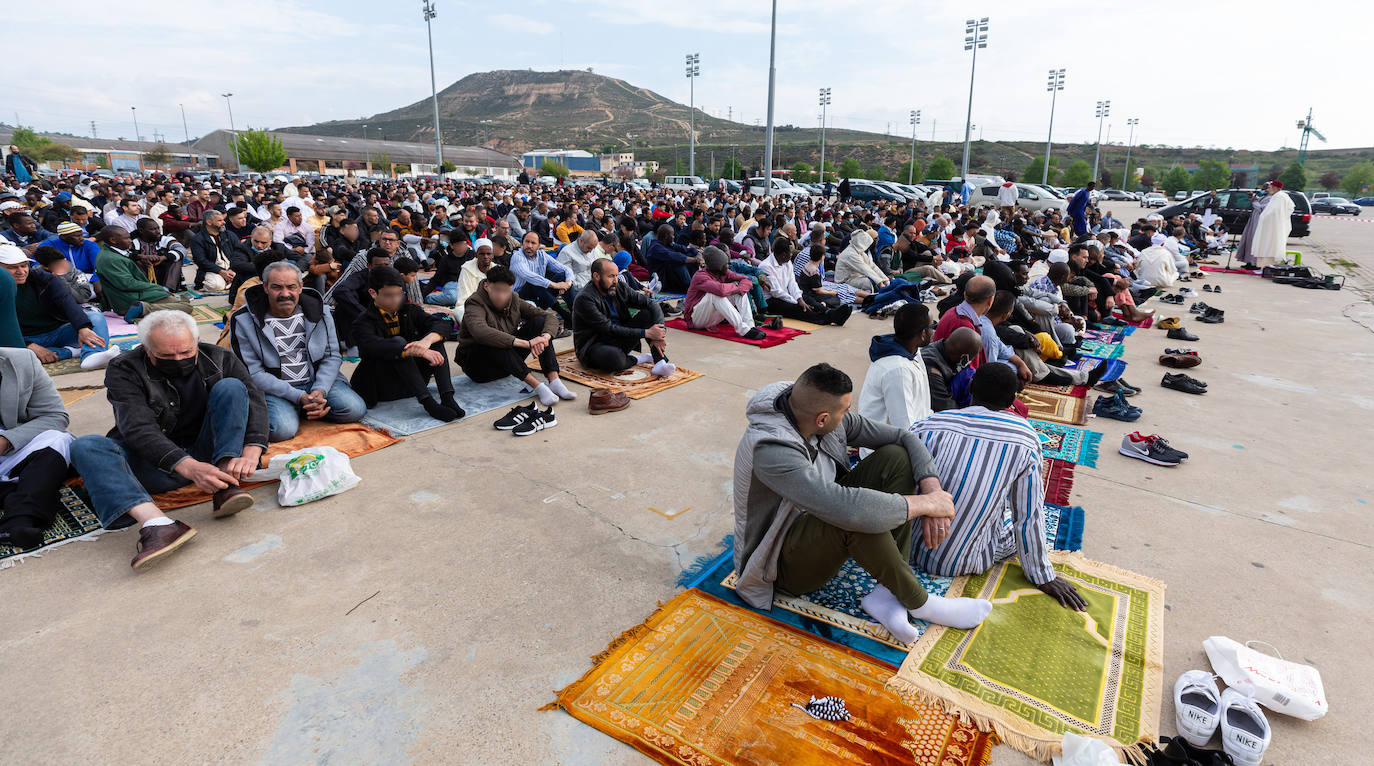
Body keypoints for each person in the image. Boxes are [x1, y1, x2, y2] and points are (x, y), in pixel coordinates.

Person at [732, 362, 993, 642]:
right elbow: (848, 509)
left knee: (895, 457)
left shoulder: (808, 411)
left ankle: (887, 593)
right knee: (854, 516)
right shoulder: (771, 450)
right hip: (776, 562)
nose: (848, 414)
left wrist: (932, 489)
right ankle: (921, 603)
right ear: (822, 419)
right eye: (844, 410)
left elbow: (903, 437)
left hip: (815, 517)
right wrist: (927, 505)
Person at [69, 311, 268, 569]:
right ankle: (158, 525)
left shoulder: (220, 357)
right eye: (166, 356)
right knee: (86, 446)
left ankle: (224, 484)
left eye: (186, 353)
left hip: (207, 453)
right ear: (145, 349)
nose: (178, 360)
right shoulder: (124, 368)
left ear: (196, 341)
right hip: (153, 463)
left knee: (231, 387)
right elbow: (137, 428)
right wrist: (187, 466)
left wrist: (252, 451)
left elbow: (255, 402)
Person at [910, 363, 1087, 610]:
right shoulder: (1026, 438)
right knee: (1014, 512)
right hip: (963, 561)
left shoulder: (928, 424)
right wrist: (1043, 576)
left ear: (971, 387)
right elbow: (1027, 516)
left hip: (908, 550)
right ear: (1013, 400)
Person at [230, 261, 366, 442]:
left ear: (300, 287)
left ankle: (307, 407)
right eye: (277, 287)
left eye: (291, 287)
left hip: (315, 382)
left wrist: (320, 391)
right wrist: (298, 396)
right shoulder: (243, 320)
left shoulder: (321, 312)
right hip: (275, 389)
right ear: (265, 287)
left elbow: (332, 355)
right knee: (281, 430)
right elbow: (252, 373)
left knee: (354, 409)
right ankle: (300, 407)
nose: (285, 294)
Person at [348, 265, 463, 421]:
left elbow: (442, 325)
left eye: (399, 294)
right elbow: (375, 346)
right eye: (389, 295)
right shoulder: (362, 322)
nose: (396, 299)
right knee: (399, 345)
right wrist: (416, 350)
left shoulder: (408, 310)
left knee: (434, 340)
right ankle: (429, 404)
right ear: (373, 293)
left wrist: (425, 343)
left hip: (411, 382)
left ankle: (447, 397)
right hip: (381, 385)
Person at [456, 265, 573, 411]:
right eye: (497, 290)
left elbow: (548, 316)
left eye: (506, 291)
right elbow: (480, 331)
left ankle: (554, 379)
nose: (501, 296)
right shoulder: (475, 302)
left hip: (508, 363)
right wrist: (527, 343)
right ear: (486, 286)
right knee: (493, 338)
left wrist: (544, 338)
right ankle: (537, 385)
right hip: (479, 368)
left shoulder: (514, 299)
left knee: (539, 322)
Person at [0, 346, 75, 549]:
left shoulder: (21, 361)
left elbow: (55, 416)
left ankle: (18, 521)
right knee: (42, 479)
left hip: (11, 450)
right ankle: (25, 493)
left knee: (59, 440)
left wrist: (6, 440)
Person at [0, 244, 120, 369]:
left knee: (94, 317)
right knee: (12, 359)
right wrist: (28, 345)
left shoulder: (43, 279)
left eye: (24, 266)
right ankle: (70, 352)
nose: (21, 271)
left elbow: (67, 302)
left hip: (57, 332)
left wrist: (82, 327)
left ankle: (91, 355)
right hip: (20, 339)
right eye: (12, 268)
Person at [572, 258, 675, 377]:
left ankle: (659, 362)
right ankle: (637, 359)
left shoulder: (619, 287)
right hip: (595, 346)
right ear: (596, 276)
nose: (615, 280)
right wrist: (646, 333)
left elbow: (650, 303)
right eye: (610, 276)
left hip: (621, 338)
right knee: (615, 359)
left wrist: (659, 335)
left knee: (649, 313)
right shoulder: (585, 299)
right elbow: (607, 328)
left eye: (616, 275)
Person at [933, 274, 1032, 384]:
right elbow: (977, 375)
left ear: (965, 295)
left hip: (950, 371)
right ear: (990, 301)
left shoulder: (954, 311)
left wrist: (1020, 363)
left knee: (1012, 365)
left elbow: (998, 345)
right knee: (1010, 371)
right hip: (955, 381)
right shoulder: (968, 330)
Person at [857, 303, 934, 431]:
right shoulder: (898, 371)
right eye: (933, 326)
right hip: (889, 446)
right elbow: (905, 428)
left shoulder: (913, 351)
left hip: (915, 430)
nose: (934, 331)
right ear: (923, 334)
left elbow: (922, 407)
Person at [93, 226, 193, 320]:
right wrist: (158, 288)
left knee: (181, 301)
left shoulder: (112, 253)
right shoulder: (110, 259)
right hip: (128, 299)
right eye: (126, 238)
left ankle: (145, 307)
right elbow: (127, 284)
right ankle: (143, 308)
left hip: (134, 295)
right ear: (113, 240)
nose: (130, 241)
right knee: (186, 307)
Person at [759, 237, 851, 325]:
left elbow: (792, 283)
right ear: (783, 254)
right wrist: (797, 302)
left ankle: (830, 312)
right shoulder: (766, 266)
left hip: (786, 294)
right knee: (798, 308)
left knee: (807, 299)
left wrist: (799, 299)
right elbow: (776, 292)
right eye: (790, 253)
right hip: (772, 301)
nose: (791, 255)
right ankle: (830, 318)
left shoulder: (787, 263)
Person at [684, 246, 769, 341]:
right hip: (695, 320)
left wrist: (737, 288)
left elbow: (746, 280)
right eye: (725, 264)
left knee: (739, 293)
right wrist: (736, 286)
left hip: (710, 318)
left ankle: (750, 326)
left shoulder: (724, 272)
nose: (728, 266)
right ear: (718, 267)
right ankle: (743, 330)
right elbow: (720, 290)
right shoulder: (700, 276)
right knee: (714, 295)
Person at [510, 230, 576, 326]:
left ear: (538, 246)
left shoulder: (542, 255)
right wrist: (555, 285)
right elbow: (528, 275)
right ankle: (564, 314)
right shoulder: (517, 256)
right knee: (533, 283)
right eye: (527, 242)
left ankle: (575, 314)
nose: (529, 245)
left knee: (562, 276)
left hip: (540, 296)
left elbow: (565, 269)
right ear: (521, 244)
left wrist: (567, 283)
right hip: (520, 298)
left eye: (533, 243)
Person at [1236, 180, 1294, 270]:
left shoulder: (1277, 197)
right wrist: (1253, 197)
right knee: (1249, 241)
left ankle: (1255, 263)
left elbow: (1263, 209)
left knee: (1258, 242)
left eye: (1268, 187)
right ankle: (1249, 261)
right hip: (1255, 220)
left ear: (1274, 188)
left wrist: (1254, 202)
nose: (1266, 189)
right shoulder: (1269, 196)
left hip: (1263, 223)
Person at [923, 326, 983, 412]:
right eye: (971, 358)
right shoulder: (931, 366)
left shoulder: (942, 349)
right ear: (964, 358)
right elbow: (945, 406)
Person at [188, 209, 249, 292]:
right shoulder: (198, 239)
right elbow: (201, 261)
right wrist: (221, 271)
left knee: (247, 279)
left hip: (232, 268)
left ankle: (230, 282)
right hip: (212, 270)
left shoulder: (229, 235)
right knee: (216, 285)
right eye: (220, 220)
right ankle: (230, 283)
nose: (224, 222)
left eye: (223, 220)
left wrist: (232, 268)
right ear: (209, 222)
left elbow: (240, 253)